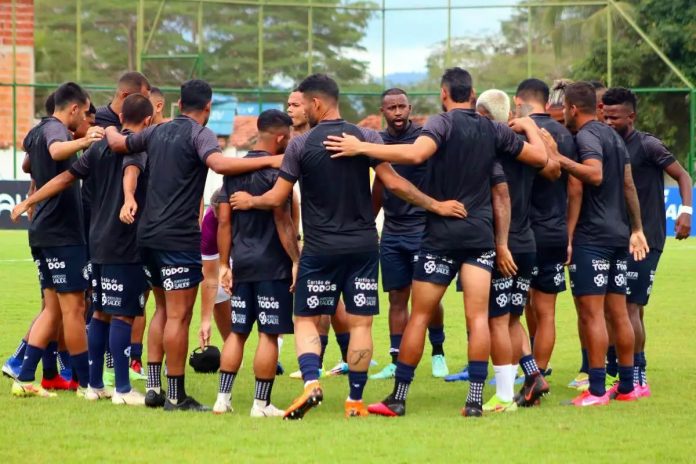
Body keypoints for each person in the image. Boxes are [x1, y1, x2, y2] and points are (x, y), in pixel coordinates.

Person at [230, 73, 465, 419]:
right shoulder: (365, 137)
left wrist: (251, 202)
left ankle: (312, 383)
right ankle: (355, 400)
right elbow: (394, 184)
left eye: (302, 104)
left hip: (320, 248)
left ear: (317, 103)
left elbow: (278, 197)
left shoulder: (299, 145)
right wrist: (436, 205)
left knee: (307, 317)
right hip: (363, 247)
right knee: (361, 324)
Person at [324, 67, 548, 417]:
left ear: (444, 94)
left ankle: (398, 398)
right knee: (477, 319)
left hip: (441, 235)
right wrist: (530, 127)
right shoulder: (492, 129)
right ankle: (474, 401)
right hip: (478, 237)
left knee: (419, 317)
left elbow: (414, 155)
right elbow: (540, 159)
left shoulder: (441, 124)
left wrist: (361, 147)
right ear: (472, 94)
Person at [104, 79, 285, 412]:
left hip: (147, 235)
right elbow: (219, 165)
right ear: (208, 107)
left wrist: (109, 132)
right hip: (177, 237)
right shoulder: (198, 133)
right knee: (179, 315)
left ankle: (155, 389)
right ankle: (176, 396)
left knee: (160, 309)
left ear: (177, 103)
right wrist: (270, 162)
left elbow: (119, 143)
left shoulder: (157, 131)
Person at [13, 93, 155, 405]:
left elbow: (65, 177)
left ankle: (93, 385)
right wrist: (130, 198)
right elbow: (131, 168)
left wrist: (30, 200)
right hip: (125, 241)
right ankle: (121, 389)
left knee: (101, 314)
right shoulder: (137, 146)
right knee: (124, 315)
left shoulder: (99, 145)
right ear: (147, 121)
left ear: (120, 117)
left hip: (96, 241)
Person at [541, 81, 649, 406]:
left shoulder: (585, 136)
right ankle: (628, 387)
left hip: (594, 238)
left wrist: (558, 157)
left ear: (573, 108)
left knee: (592, 315)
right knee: (618, 313)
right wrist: (636, 228)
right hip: (618, 235)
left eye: (565, 109)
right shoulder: (614, 137)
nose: (564, 115)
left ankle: (598, 390)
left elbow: (593, 175)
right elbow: (628, 185)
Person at [11, 82, 104, 398]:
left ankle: (25, 377)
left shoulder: (36, 131)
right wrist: (83, 142)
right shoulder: (56, 132)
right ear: (74, 108)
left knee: (52, 309)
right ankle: (87, 383)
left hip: (41, 230)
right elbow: (54, 150)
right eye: (85, 113)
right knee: (74, 308)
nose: (86, 121)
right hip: (62, 232)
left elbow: (29, 163)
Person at [602, 87, 692, 396]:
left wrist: (685, 211)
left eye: (615, 116)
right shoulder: (605, 144)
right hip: (615, 235)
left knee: (629, 307)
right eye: (605, 115)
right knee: (622, 307)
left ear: (632, 116)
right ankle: (624, 368)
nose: (609, 121)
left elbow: (683, 176)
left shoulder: (648, 145)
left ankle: (637, 374)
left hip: (647, 238)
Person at [476, 89, 560, 412]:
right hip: (527, 244)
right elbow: (548, 162)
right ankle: (533, 375)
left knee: (497, 321)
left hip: (504, 246)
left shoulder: (492, 150)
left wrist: (499, 245)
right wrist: (526, 125)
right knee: (512, 318)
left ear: (483, 116)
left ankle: (502, 396)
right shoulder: (524, 149)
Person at [213, 110, 299, 417]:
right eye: (288, 137)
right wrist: (295, 260)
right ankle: (261, 405)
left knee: (237, 332)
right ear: (279, 137)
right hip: (271, 263)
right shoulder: (278, 173)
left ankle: (222, 399)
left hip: (242, 262)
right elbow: (283, 222)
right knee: (268, 333)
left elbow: (224, 222)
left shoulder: (233, 170)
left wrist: (225, 265)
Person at [370, 88, 449, 380]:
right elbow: (380, 186)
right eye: (391, 108)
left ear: (410, 107)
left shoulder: (424, 139)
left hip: (423, 228)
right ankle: (395, 358)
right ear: (383, 112)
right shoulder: (377, 142)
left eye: (402, 106)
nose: (398, 112)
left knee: (427, 296)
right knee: (397, 297)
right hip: (392, 230)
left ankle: (438, 352)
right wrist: (369, 221)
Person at [514, 79, 577, 387]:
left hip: (524, 233)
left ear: (518, 101)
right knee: (546, 310)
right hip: (555, 232)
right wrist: (569, 234)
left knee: (517, 306)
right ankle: (539, 370)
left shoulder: (517, 132)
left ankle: (532, 374)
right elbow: (576, 187)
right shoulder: (565, 133)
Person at [286, 88, 353, 379]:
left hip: (325, 234)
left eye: (295, 104)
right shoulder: (289, 140)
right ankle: (338, 359)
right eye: (287, 104)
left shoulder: (321, 138)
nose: (290, 109)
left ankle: (320, 362)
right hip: (305, 230)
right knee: (328, 301)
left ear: (312, 106)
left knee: (323, 302)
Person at [198, 189, 232, 349]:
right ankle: (232, 345)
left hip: (253, 249)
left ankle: (276, 349)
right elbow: (210, 276)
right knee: (219, 292)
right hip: (225, 253)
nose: (221, 219)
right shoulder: (210, 221)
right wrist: (206, 320)